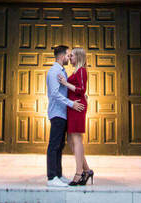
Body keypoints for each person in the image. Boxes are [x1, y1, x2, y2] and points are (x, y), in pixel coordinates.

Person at [46, 44, 83, 188]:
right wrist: (71, 104)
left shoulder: (62, 71)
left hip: (63, 113)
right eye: (68, 55)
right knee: (54, 145)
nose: (69, 58)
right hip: (57, 113)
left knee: (60, 145)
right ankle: (51, 177)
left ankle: (58, 175)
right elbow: (55, 94)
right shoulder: (54, 71)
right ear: (61, 57)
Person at [59, 46, 93, 186]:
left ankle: (79, 173)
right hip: (72, 106)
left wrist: (66, 83)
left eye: (72, 56)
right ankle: (87, 170)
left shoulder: (82, 71)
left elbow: (81, 89)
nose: (70, 58)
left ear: (78, 57)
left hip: (77, 107)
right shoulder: (76, 71)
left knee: (76, 139)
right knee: (71, 140)